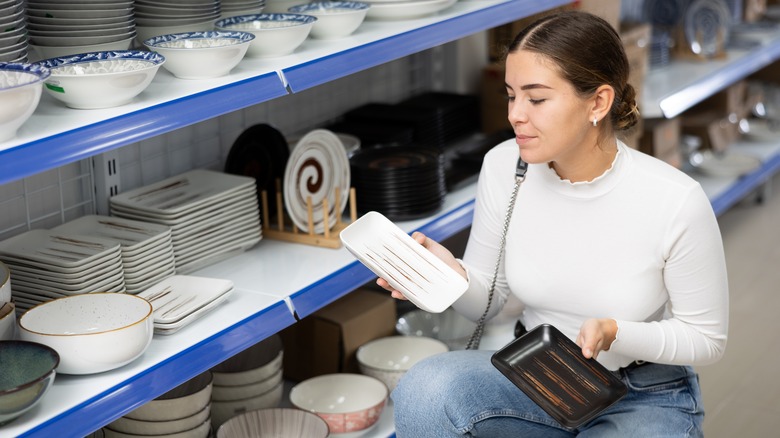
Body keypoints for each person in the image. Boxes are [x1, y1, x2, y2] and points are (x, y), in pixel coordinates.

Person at [379, 10, 729, 437]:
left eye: (536, 98)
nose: (515, 115)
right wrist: (448, 275)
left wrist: (618, 333)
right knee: (425, 389)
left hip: (640, 391)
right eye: (511, 95)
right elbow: (493, 303)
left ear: (598, 102)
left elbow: (706, 339)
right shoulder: (503, 165)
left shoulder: (675, 199)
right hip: (535, 374)